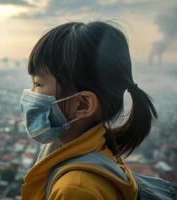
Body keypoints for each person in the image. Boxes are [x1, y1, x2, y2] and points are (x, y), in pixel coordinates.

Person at [19, 21, 158, 200]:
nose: (30, 94)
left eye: (38, 83)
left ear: (82, 105)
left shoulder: (76, 189)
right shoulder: (98, 148)